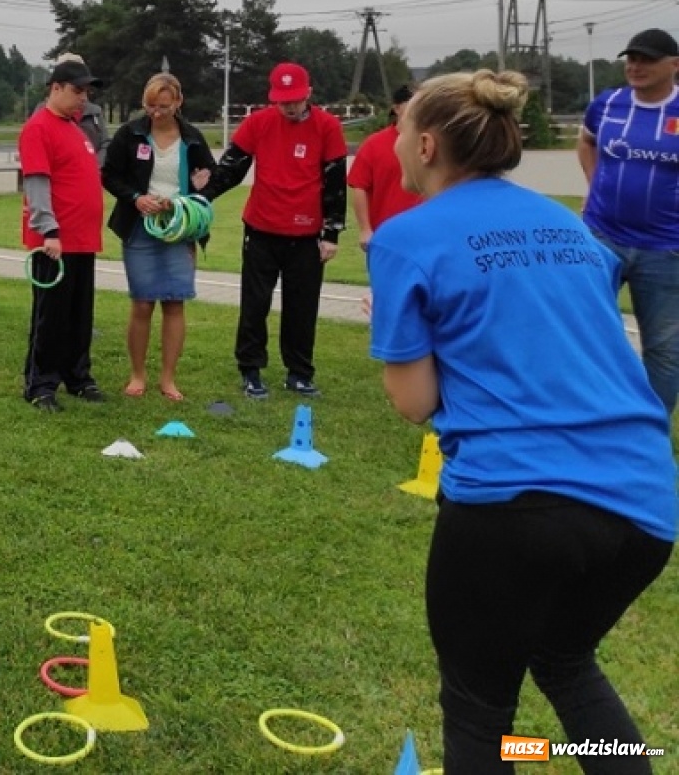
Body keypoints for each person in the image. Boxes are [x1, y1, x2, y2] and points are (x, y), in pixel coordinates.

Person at [369, 69, 676, 774]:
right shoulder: (571, 227)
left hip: (516, 507)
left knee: (480, 716)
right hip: (643, 504)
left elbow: (414, 401)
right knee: (565, 663)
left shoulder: (407, 237)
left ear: (424, 145)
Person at [200, 63, 346, 399]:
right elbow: (231, 169)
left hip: (307, 233)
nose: (289, 106)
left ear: (308, 94)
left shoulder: (327, 126)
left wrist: (331, 233)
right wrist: (201, 198)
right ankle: (250, 370)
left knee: (302, 305)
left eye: (294, 100)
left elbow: (335, 183)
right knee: (255, 303)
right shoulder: (259, 122)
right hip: (262, 228)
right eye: (283, 101)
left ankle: (299, 372)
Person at [577, 27, 679, 416]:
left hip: (667, 249)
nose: (636, 66)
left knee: (665, 349)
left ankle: (649, 426)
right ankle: (594, 414)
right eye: (631, 59)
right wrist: (594, 185)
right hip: (604, 237)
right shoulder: (608, 104)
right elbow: (586, 141)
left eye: (647, 59)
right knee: (589, 332)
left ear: (674, 65)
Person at [102, 73, 215, 400]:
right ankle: (138, 375)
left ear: (178, 102)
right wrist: (136, 197)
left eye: (163, 106)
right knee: (142, 302)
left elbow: (209, 181)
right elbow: (109, 175)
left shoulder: (192, 138)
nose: (156, 112)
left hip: (179, 230)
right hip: (139, 228)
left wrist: (184, 203)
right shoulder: (130, 134)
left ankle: (168, 379)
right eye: (150, 106)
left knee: (175, 302)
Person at [21, 60, 106, 412]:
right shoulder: (39, 127)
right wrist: (49, 230)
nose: (83, 98)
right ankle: (41, 384)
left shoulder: (74, 128)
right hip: (55, 242)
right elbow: (37, 183)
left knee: (79, 315)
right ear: (55, 88)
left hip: (83, 239)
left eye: (86, 91)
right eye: (77, 90)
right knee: (51, 316)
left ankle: (77, 376)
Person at [348, 84, 422, 251]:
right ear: (396, 108)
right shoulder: (374, 144)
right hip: (385, 235)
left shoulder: (433, 143)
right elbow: (359, 187)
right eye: (413, 103)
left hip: (425, 234)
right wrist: (365, 229)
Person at [56, 52, 107, 156]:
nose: (83, 98)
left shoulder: (94, 112)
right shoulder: (42, 117)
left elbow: (105, 142)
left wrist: (95, 165)